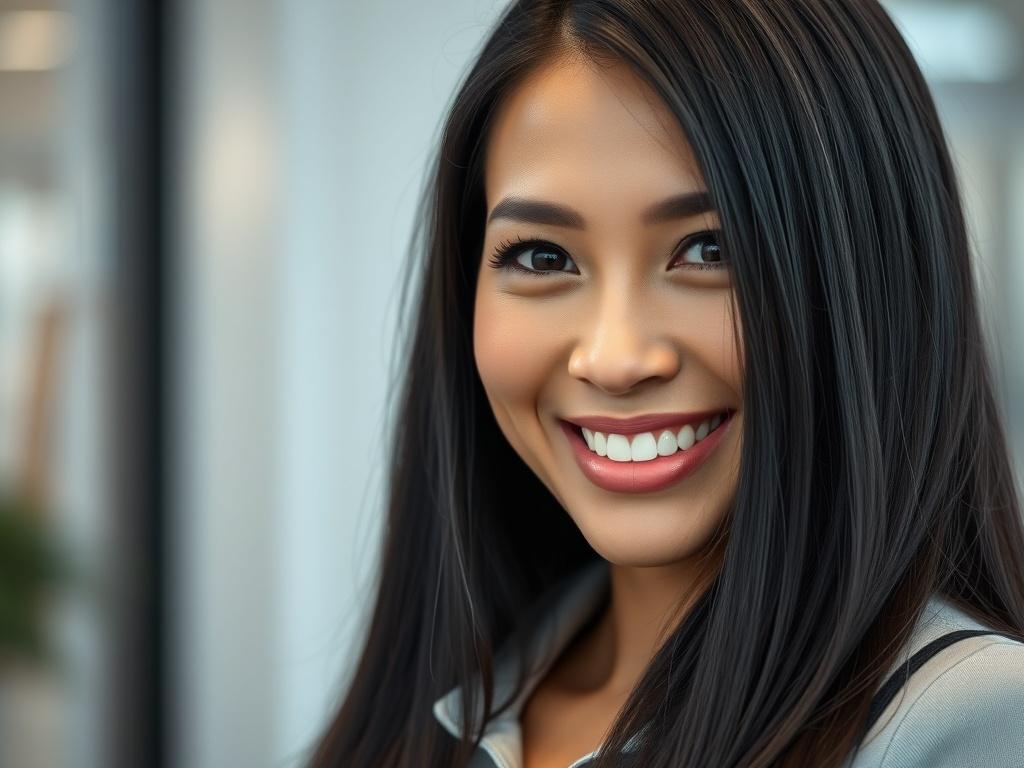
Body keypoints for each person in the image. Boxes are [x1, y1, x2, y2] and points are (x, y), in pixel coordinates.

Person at [312, 1, 1024, 766]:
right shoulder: (454, 697)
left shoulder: (974, 720)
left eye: (710, 249)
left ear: (874, 277)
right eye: (544, 257)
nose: (614, 359)